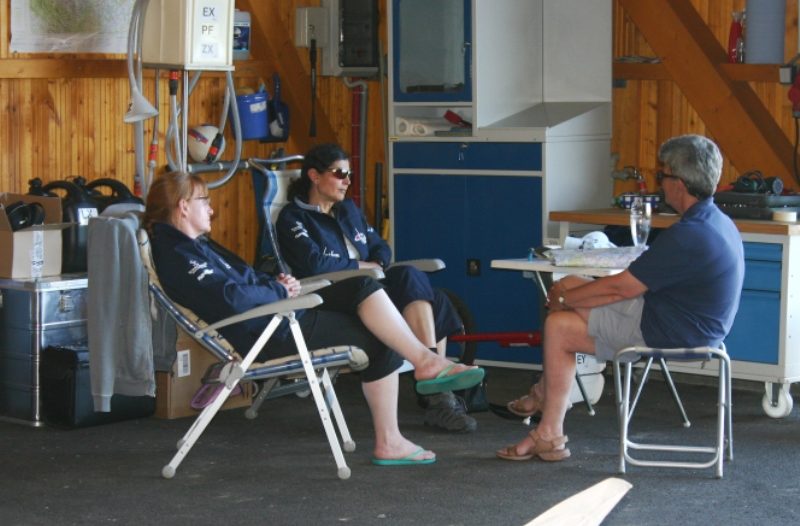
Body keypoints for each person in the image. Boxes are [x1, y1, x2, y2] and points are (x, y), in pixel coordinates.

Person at [142, 171, 485, 466]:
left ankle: (424, 363)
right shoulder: (179, 256)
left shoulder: (195, 246)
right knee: (380, 337)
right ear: (183, 206)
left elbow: (241, 284)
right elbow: (231, 298)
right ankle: (392, 436)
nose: (212, 208)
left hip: (276, 315)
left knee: (361, 286)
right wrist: (277, 291)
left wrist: (276, 282)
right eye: (205, 200)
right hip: (268, 331)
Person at [496, 134, 744, 461]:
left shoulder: (689, 235)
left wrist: (565, 301)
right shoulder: (717, 222)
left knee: (559, 323)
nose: (660, 183)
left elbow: (621, 288)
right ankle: (545, 405)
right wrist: (569, 295)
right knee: (569, 285)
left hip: (669, 330)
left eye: (663, 175)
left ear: (680, 185)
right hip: (687, 322)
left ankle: (549, 429)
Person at [277, 143, 475, 433]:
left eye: (350, 175)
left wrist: (377, 263)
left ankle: (433, 375)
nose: (347, 181)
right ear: (314, 176)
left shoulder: (349, 210)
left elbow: (380, 246)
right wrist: (364, 267)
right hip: (331, 293)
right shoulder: (293, 217)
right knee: (416, 289)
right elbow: (315, 264)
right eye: (339, 173)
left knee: (425, 288)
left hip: (371, 287)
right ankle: (438, 392)